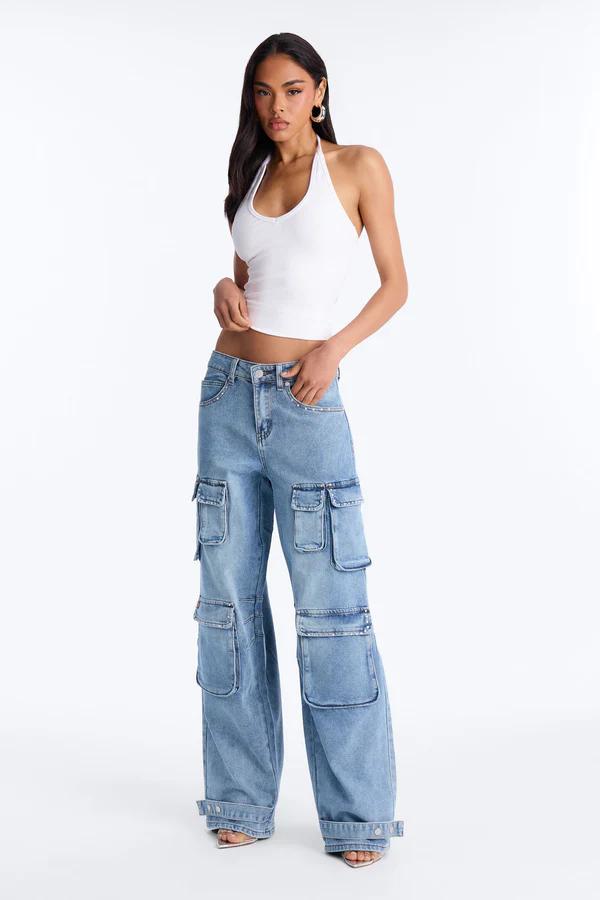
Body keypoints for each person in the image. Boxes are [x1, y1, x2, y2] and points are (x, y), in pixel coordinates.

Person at [191, 32, 408, 868]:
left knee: (331, 612)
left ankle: (356, 817)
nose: (275, 107)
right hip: (225, 401)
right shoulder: (248, 178)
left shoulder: (357, 167)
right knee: (229, 609)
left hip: (308, 401)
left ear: (318, 91)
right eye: (261, 92)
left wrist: (333, 349)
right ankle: (239, 797)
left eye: (290, 90)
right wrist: (223, 290)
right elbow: (249, 281)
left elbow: (396, 283)